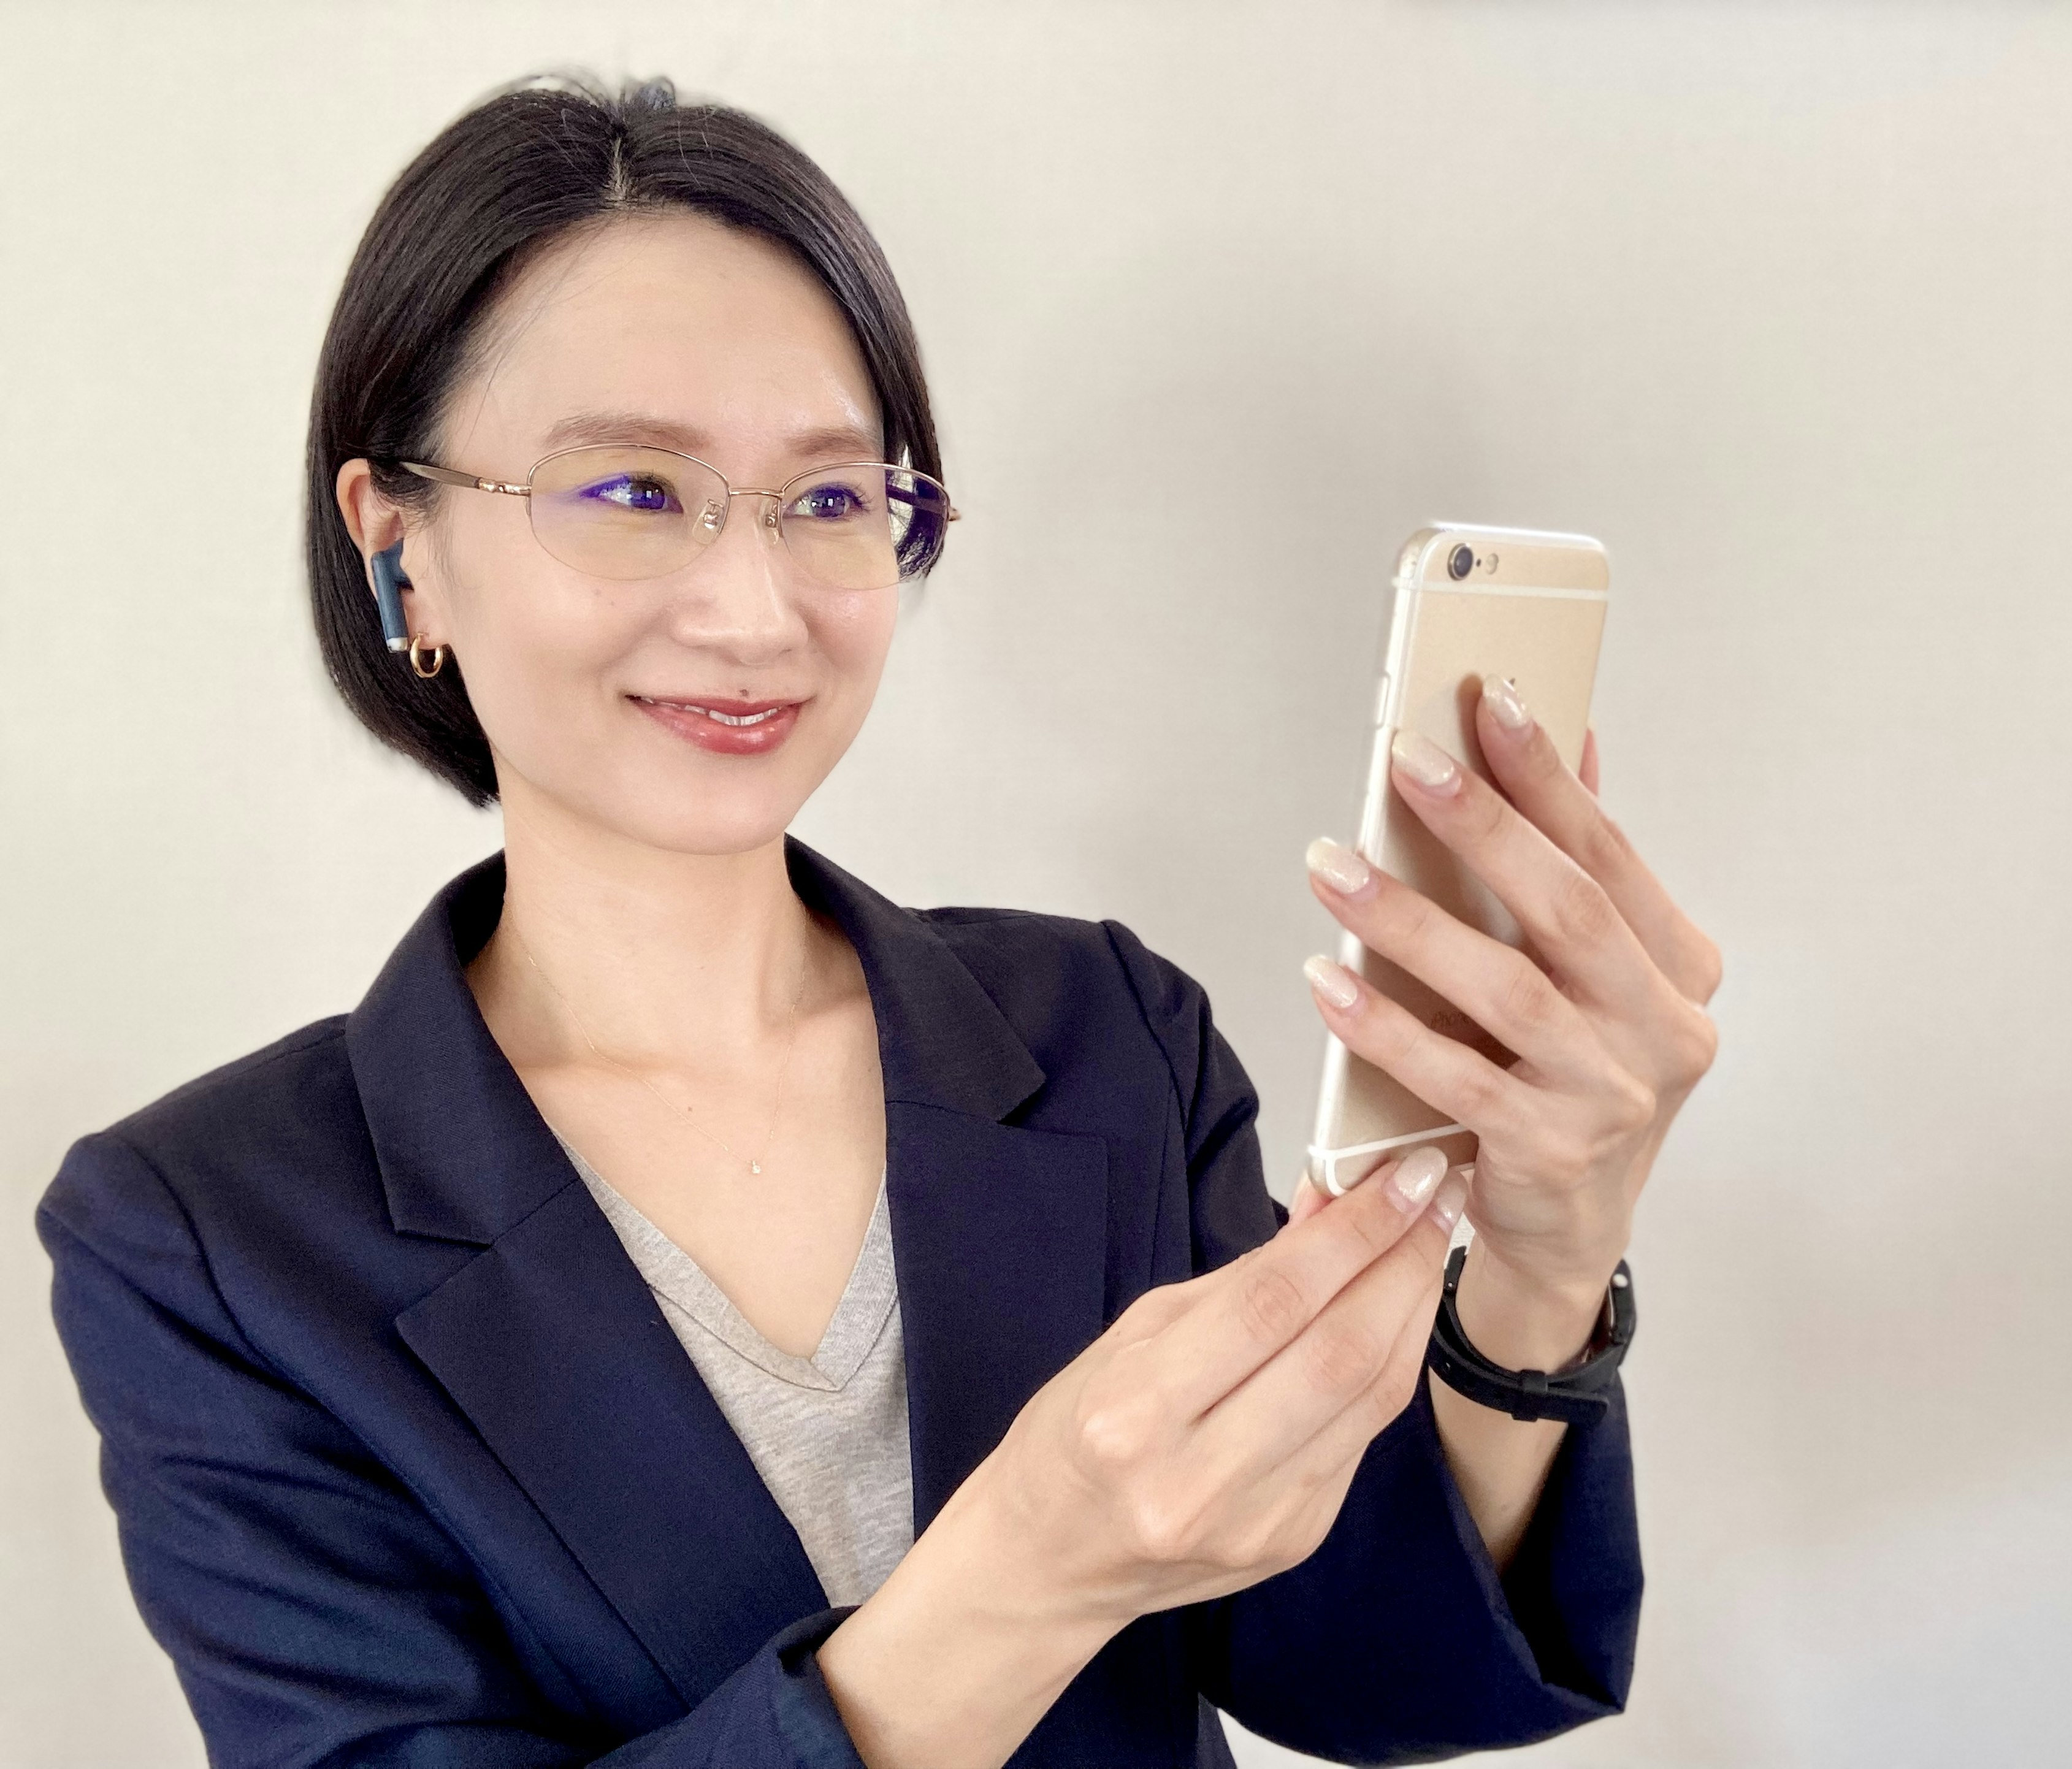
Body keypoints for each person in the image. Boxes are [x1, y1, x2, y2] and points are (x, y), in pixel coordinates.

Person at [37, 76, 1720, 1769]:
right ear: (398, 546)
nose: (755, 609)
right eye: (631, 491)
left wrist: (1544, 1264)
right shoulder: (211, 1239)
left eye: (831, 500)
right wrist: (1029, 1572)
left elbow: (1373, 1673)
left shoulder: (1100, 1035)